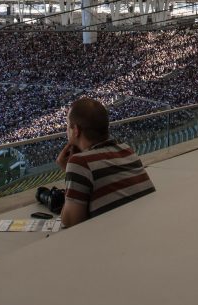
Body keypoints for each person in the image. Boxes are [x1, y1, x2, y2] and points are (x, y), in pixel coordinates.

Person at [56, 97, 155, 228]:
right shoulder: (127, 150)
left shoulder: (79, 163)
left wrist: (67, 169)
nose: (66, 131)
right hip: (144, 228)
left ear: (76, 131)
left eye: (68, 126)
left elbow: (70, 223)